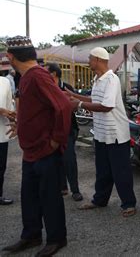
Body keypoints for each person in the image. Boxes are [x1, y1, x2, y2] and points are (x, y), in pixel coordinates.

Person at [2, 36, 71, 256]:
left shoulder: (38, 76)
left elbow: (63, 107)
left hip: (45, 151)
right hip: (30, 151)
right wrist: (21, 125)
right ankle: (31, 235)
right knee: (29, 196)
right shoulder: (26, 77)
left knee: (49, 196)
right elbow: (36, 110)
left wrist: (55, 140)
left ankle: (56, 239)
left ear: (10, 57)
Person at [68, 47, 137, 218]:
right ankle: (100, 200)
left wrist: (77, 105)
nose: (89, 61)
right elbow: (95, 100)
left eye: (90, 58)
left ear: (98, 60)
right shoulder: (97, 79)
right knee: (103, 170)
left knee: (120, 172)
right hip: (100, 133)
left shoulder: (111, 79)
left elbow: (106, 106)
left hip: (115, 135)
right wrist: (72, 95)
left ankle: (129, 203)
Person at [45, 63, 83, 202]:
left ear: (54, 73)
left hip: (68, 129)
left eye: (46, 71)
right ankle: (62, 187)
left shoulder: (67, 88)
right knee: (55, 158)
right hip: (51, 130)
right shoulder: (46, 89)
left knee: (69, 159)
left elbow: (74, 108)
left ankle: (75, 190)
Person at [0, 75, 15, 205]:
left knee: (1, 167)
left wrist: (13, 117)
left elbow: (10, 104)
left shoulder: (5, 82)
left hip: (1, 133)